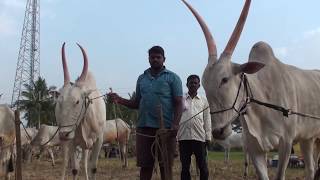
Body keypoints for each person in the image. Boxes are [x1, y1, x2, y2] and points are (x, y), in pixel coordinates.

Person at [108, 45, 183, 180]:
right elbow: (136, 103)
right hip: (144, 127)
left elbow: (179, 103)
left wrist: (176, 124)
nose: (155, 59)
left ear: (164, 59)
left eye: (158, 57)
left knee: (165, 166)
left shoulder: (173, 78)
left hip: (165, 129)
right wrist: (119, 99)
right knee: (145, 166)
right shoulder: (142, 78)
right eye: (152, 57)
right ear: (148, 59)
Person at [177, 74, 211, 180]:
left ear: (199, 85)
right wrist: (176, 136)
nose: (193, 84)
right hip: (184, 137)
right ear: (187, 84)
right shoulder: (181, 100)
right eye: (191, 83)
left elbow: (207, 119)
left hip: (200, 137)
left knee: (202, 166)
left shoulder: (204, 101)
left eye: (195, 83)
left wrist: (208, 137)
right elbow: (176, 117)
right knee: (185, 167)